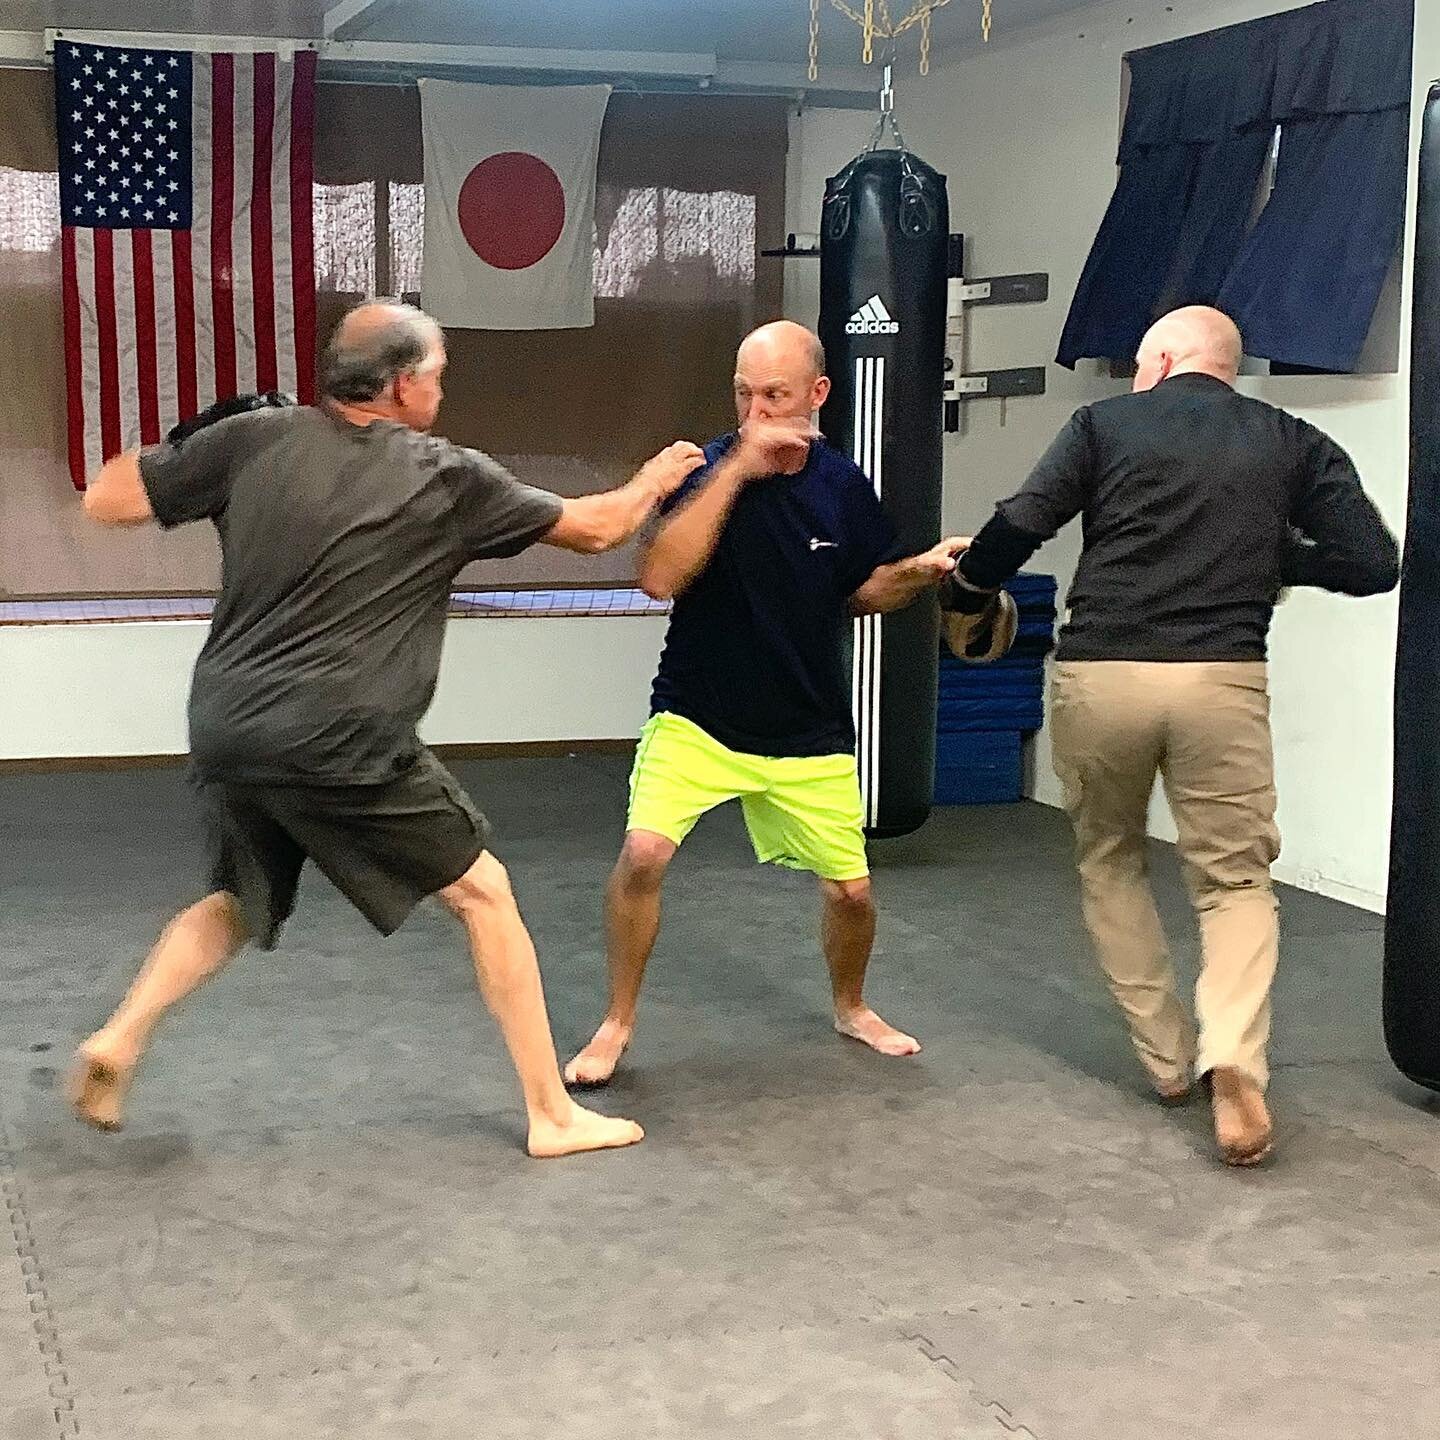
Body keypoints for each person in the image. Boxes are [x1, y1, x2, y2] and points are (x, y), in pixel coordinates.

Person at [69, 300, 705, 1159]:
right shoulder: (445, 474)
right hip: (340, 737)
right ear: (403, 384)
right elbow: (595, 530)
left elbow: (106, 499)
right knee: (487, 895)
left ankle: (119, 1037)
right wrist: (656, 482)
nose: (441, 390)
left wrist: (191, 443)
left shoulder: (256, 441)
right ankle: (554, 1115)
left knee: (236, 900)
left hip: (229, 724)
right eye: (437, 375)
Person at [944, 305, 1399, 1165]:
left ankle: (1165, 1058)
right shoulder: (1291, 440)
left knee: (1109, 855)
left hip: (1103, 672)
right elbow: (1375, 561)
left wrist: (966, 589)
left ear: (1157, 359)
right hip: (1221, 679)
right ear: (1228, 368)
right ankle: (1234, 1062)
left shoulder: (1103, 424)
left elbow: (1023, 521)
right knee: (1234, 881)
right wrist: (1274, 554)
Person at [565, 320, 966, 1086]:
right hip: (698, 714)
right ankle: (616, 1023)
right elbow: (659, 578)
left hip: (805, 725)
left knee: (851, 891)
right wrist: (739, 470)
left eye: (775, 396)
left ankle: (851, 1006)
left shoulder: (842, 486)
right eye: (745, 395)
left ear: (816, 395)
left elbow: (862, 590)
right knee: (644, 854)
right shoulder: (704, 467)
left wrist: (918, 570)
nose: (756, 411)